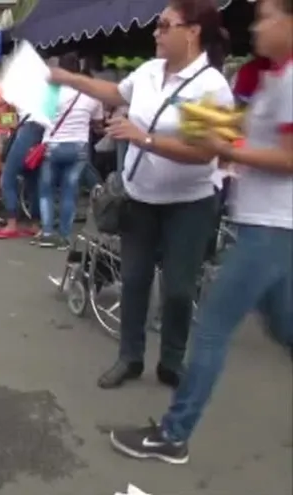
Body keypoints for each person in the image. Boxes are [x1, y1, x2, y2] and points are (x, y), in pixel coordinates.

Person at [110, 0, 293, 465]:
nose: (255, 26)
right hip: (255, 219)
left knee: (207, 327)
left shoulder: (279, 80)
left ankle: (173, 434)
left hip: (269, 225)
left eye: (266, 16)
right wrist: (232, 139)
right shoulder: (268, 77)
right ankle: (133, 362)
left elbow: (288, 158)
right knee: (283, 324)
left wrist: (221, 147)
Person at [51, 0, 234, 390]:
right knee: (133, 280)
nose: (156, 32)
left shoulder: (213, 87)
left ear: (193, 31)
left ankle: (171, 362)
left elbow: (207, 153)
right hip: (140, 197)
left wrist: (144, 139)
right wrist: (69, 79)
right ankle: (129, 358)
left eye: (165, 25)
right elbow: (115, 91)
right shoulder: (149, 72)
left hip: (190, 204)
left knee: (180, 289)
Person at [32, 53, 104, 250]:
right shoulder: (90, 93)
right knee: (69, 192)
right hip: (79, 147)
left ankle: (47, 233)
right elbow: (98, 122)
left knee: (46, 191)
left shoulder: (51, 92)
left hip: (53, 146)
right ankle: (64, 236)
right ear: (78, 68)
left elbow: (40, 120)